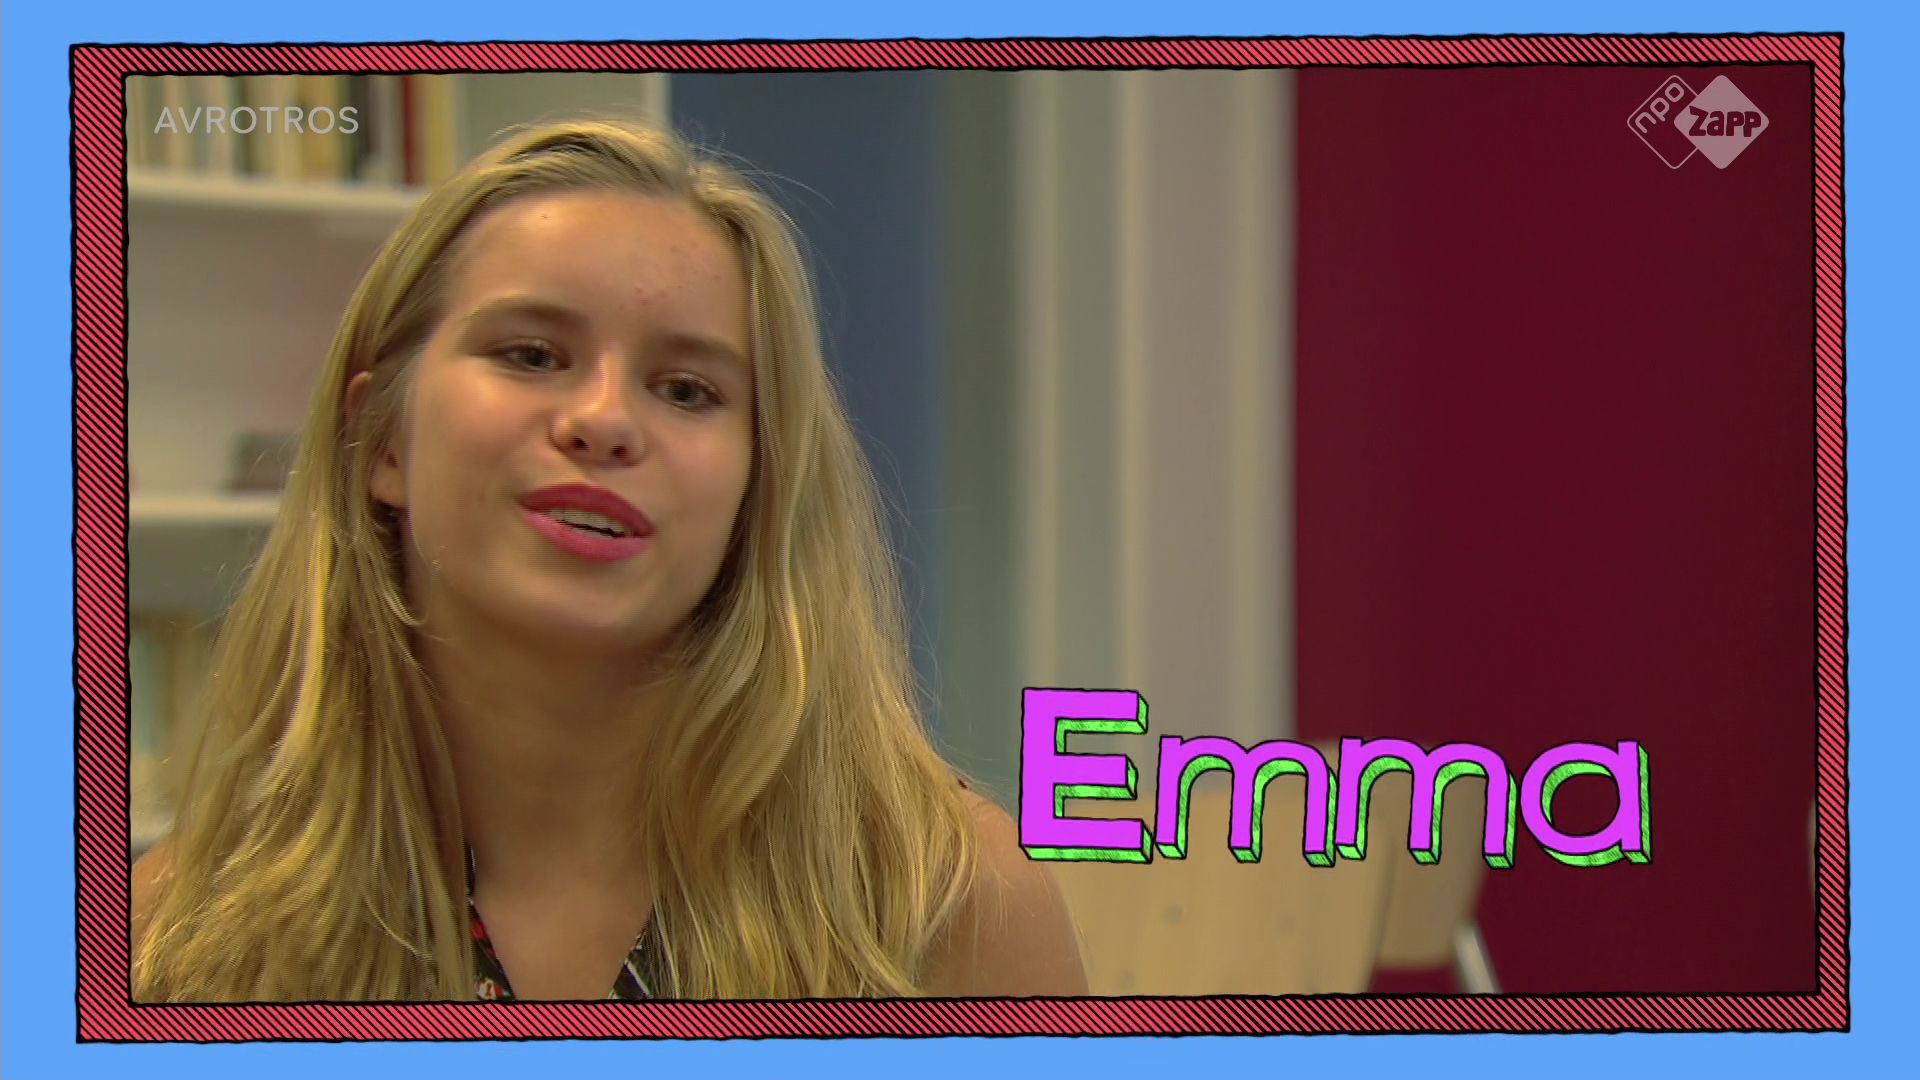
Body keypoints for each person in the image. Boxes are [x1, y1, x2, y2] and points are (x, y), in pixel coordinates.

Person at [130, 118, 1087, 1002]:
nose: (604, 421)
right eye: (532, 355)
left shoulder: (944, 902)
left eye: (686, 389)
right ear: (380, 440)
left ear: (755, 487)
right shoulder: (179, 933)